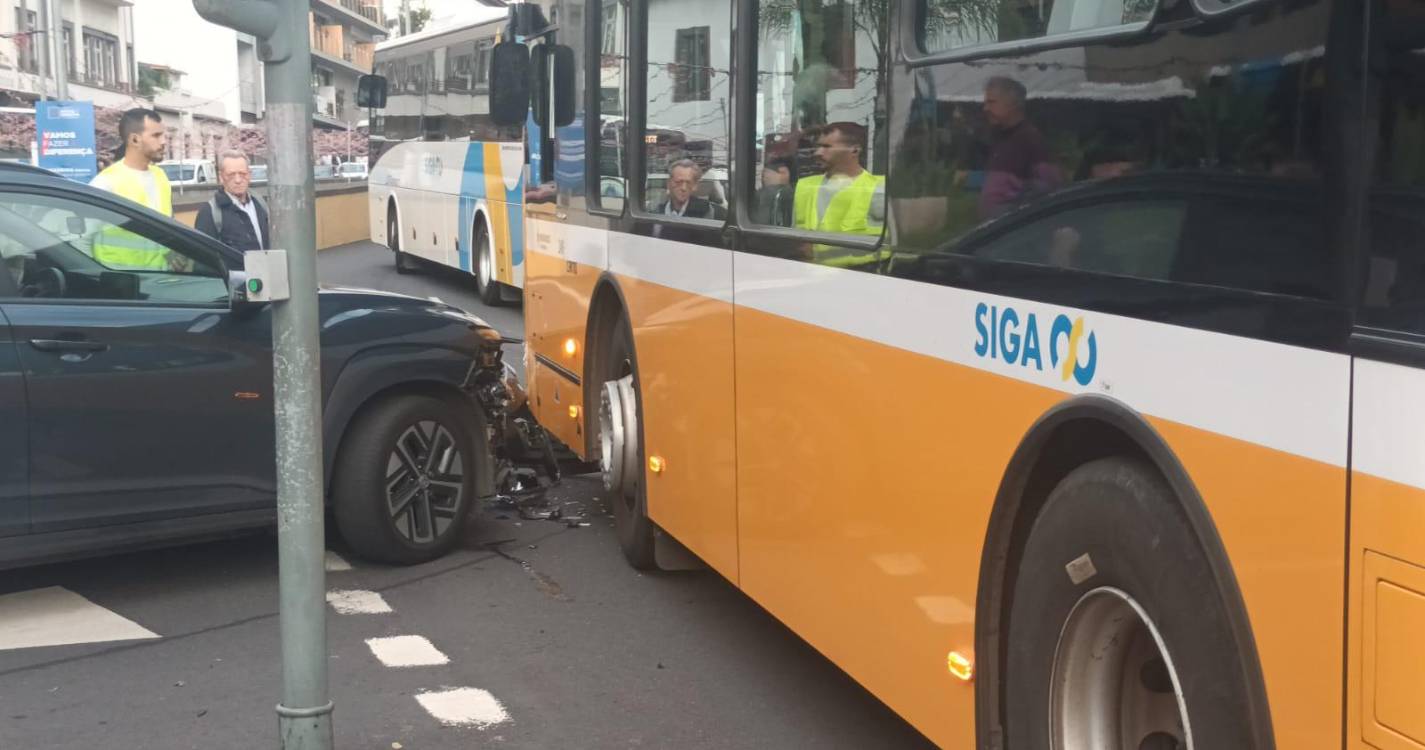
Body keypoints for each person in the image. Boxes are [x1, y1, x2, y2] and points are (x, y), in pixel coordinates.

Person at [89, 108, 186, 270]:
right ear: (134, 140)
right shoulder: (106, 182)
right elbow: (81, 240)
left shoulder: (160, 176)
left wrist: (172, 253)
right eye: (156, 135)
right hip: (120, 286)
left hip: (159, 281)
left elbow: (166, 228)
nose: (163, 141)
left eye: (163, 135)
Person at [792, 122, 886, 267]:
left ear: (854, 150)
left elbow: (891, 246)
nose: (818, 152)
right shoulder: (805, 186)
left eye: (827, 147)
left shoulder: (880, 189)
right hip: (810, 276)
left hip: (862, 277)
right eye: (818, 146)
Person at [979, 76, 1061, 220]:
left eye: (991, 102)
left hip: (1015, 229)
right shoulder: (999, 137)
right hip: (995, 230)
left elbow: (1049, 187)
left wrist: (1015, 210)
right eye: (985, 103)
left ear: (1012, 104)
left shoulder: (1030, 139)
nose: (985, 108)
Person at [194, 149, 270, 252]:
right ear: (221, 177)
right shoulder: (210, 213)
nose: (238, 180)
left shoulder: (260, 205)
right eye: (231, 175)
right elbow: (203, 255)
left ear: (249, 175)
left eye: (242, 174)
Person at [655, 159, 726, 220]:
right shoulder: (655, 212)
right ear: (668, 183)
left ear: (695, 186)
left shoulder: (710, 212)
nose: (683, 188)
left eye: (689, 183)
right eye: (678, 182)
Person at [751, 156, 795, 227]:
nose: (764, 177)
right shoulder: (792, 193)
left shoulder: (781, 195)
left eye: (766, 173)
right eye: (763, 174)